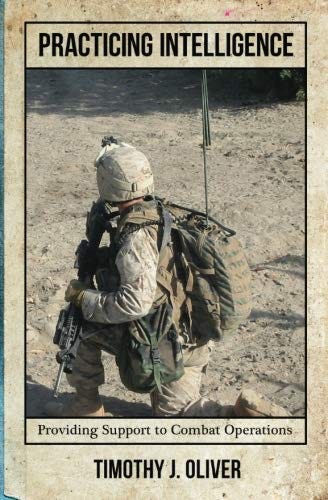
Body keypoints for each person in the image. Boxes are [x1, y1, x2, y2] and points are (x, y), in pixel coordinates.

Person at [45, 142, 290, 418]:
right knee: (178, 413)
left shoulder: (135, 235)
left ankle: (85, 406)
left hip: (161, 341)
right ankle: (237, 414)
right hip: (190, 338)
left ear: (108, 184)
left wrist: (83, 298)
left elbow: (134, 304)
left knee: (75, 322)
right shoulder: (162, 212)